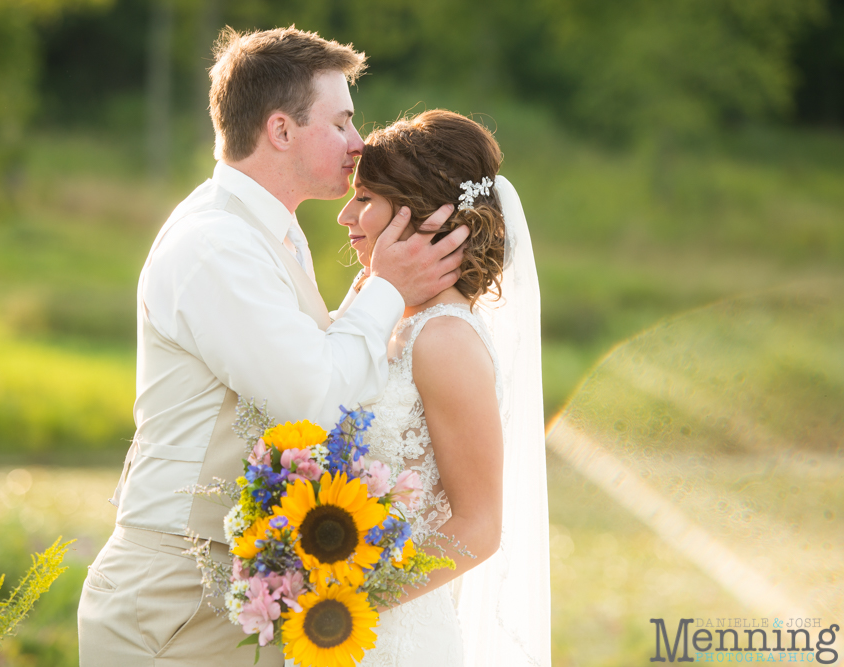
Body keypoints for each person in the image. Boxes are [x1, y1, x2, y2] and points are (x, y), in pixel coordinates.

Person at [75, 27, 469, 667]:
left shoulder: (273, 236)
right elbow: (312, 398)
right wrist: (387, 292)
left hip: (233, 587)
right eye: (341, 122)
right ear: (281, 131)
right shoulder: (217, 245)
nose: (357, 142)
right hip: (176, 593)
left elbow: (308, 368)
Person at [334, 109, 551, 666]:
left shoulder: (445, 339)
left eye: (364, 199)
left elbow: (479, 526)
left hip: (391, 631)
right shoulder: (387, 317)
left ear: (420, 217)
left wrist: (354, 601)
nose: (345, 216)